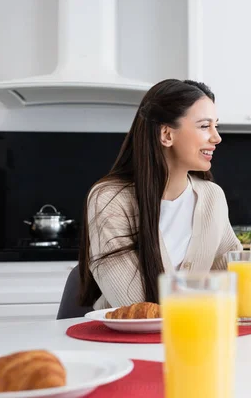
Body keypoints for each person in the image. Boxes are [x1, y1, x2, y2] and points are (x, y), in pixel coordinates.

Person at [78, 79, 241, 310]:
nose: (217, 137)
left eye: (216, 126)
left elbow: (234, 284)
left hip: (192, 335)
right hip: (124, 342)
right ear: (166, 134)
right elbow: (135, 306)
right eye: (205, 126)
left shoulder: (212, 196)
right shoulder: (110, 199)